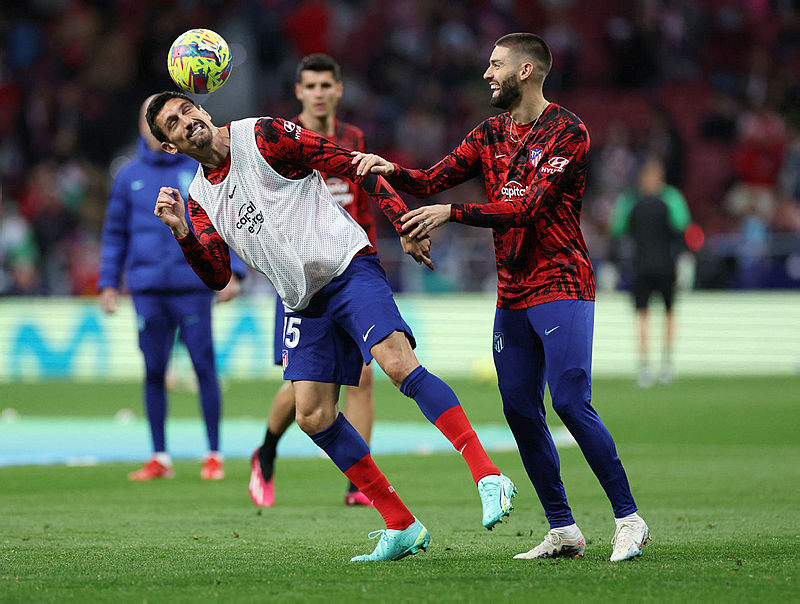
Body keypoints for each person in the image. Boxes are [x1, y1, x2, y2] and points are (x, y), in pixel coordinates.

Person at [146, 90, 516, 562]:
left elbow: (349, 162)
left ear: (204, 110)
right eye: (173, 124)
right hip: (302, 301)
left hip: (347, 266)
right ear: (171, 145)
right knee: (313, 415)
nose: (185, 121)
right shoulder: (198, 198)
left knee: (397, 365)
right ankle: (400, 523)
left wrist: (402, 220)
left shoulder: (262, 135)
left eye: (186, 110)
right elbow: (218, 275)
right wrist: (181, 230)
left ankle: (488, 474)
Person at [352, 32, 650, 562]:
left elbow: (529, 207)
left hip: (562, 282)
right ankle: (563, 529)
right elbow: (430, 179)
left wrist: (453, 213)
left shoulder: (567, 132)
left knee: (569, 401)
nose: (487, 74)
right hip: (512, 291)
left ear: (527, 71)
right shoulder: (489, 133)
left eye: (495, 65)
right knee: (518, 409)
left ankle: (629, 518)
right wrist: (388, 169)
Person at [250, 54, 377, 509]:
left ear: (338, 90)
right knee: (305, 383)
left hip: (348, 271)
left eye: (328, 84)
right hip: (300, 281)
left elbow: (363, 209)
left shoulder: (354, 140)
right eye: (311, 85)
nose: (320, 92)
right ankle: (265, 450)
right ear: (299, 92)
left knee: (363, 376)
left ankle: (359, 482)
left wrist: (372, 262)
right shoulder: (282, 141)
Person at [99, 95, 246, 482]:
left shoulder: (196, 164)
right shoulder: (128, 176)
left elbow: (227, 215)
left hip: (193, 286)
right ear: (145, 128)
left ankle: (214, 454)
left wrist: (237, 273)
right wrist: (108, 283)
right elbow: (114, 234)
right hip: (148, 290)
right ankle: (159, 457)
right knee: (153, 371)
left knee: (203, 368)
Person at [609, 156, 691, 387]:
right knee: (642, 316)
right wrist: (613, 265)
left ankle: (667, 363)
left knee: (669, 314)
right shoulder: (630, 201)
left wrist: (684, 262)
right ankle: (644, 365)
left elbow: (682, 232)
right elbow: (617, 233)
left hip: (667, 267)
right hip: (640, 267)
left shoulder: (672, 199)